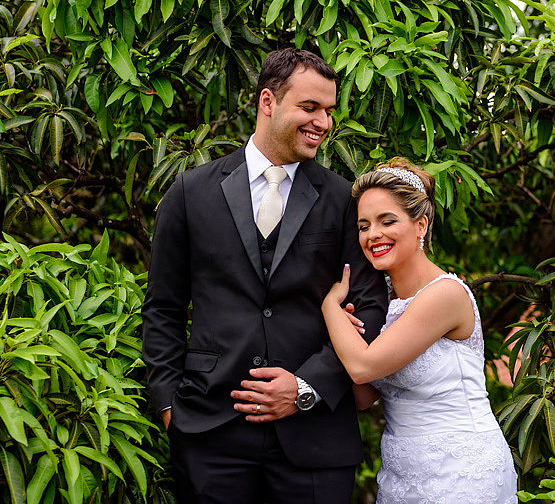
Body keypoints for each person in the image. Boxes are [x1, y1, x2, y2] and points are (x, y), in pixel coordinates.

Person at [143, 48, 388, 504]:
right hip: (209, 432)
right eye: (310, 107)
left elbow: (373, 306)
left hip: (315, 437)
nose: (323, 123)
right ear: (268, 101)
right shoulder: (190, 192)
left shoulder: (344, 200)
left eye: (329, 110)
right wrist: (169, 406)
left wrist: (306, 387)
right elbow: (163, 308)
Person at [322, 159, 517, 504]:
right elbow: (364, 397)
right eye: (364, 226)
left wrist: (329, 307)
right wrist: (345, 330)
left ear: (420, 225)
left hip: (461, 471)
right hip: (402, 474)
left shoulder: (444, 295)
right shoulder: (383, 299)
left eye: (387, 221)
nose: (373, 235)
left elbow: (362, 366)